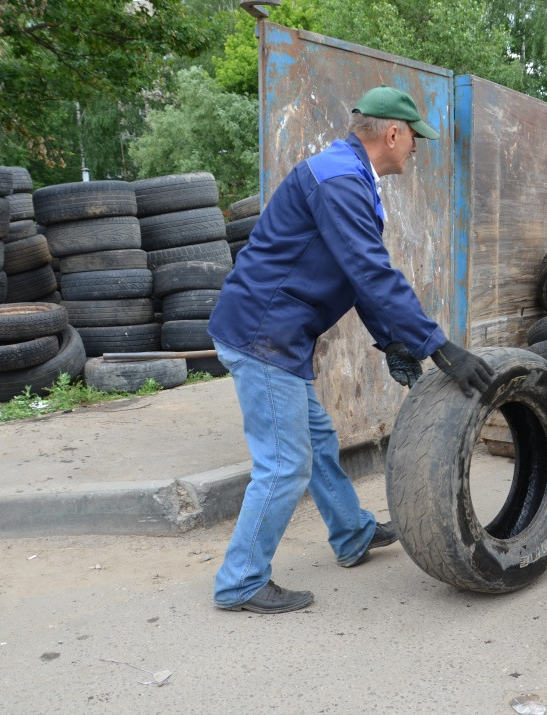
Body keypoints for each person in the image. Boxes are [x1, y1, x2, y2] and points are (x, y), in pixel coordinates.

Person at [207, 85, 494, 614]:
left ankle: (352, 534)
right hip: (263, 336)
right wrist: (438, 346)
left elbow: (354, 276)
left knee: (315, 440)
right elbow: (371, 273)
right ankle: (241, 581)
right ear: (392, 133)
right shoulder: (340, 180)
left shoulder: (348, 175)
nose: (416, 150)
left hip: (279, 336)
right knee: (285, 464)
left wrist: (391, 340)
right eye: (415, 140)